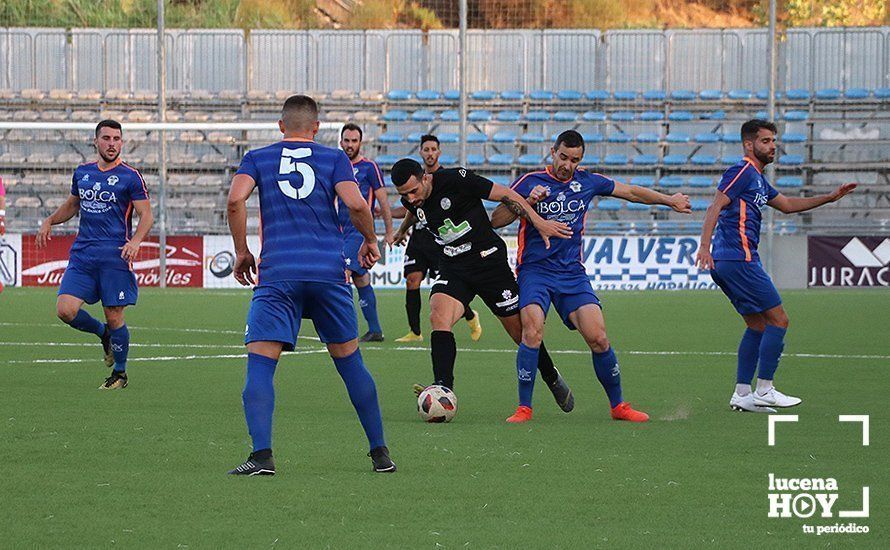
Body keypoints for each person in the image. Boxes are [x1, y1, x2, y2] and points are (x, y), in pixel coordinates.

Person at [226, 95, 395, 476]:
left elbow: (236, 201)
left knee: (260, 365)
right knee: (351, 363)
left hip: (278, 274)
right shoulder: (335, 159)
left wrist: (242, 251)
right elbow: (356, 206)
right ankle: (380, 452)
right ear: (316, 128)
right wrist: (370, 241)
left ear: (280, 126)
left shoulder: (258, 157)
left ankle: (262, 456)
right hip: (327, 273)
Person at [491, 130, 690, 422]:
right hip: (535, 272)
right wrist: (527, 202)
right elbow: (496, 220)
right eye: (563, 157)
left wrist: (669, 200)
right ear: (552, 152)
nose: (567, 165)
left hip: (572, 274)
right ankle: (524, 408)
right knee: (532, 332)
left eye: (574, 160)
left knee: (599, 338)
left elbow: (632, 192)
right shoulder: (530, 182)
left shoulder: (587, 181)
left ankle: (618, 406)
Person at [390, 158, 575, 413]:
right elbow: (415, 211)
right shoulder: (413, 199)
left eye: (413, 191)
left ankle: (550, 375)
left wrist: (538, 221)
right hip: (454, 266)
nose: (410, 198)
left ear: (425, 178)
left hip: (489, 264)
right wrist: (402, 230)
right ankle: (443, 387)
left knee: (520, 334)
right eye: (404, 195)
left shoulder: (455, 180)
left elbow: (507, 194)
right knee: (438, 316)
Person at [696, 119, 856, 412]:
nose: (773, 146)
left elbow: (788, 205)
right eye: (766, 141)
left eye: (773, 141)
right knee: (779, 320)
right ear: (749, 144)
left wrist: (830, 198)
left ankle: (742, 394)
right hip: (738, 257)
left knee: (757, 325)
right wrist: (704, 247)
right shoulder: (742, 171)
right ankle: (765, 389)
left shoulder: (757, 179)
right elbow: (715, 205)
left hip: (730, 260)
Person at [36, 119, 153, 390]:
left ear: (121, 142)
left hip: (115, 257)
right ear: (96, 141)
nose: (112, 144)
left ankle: (120, 375)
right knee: (65, 310)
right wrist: (49, 221)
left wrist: (135, 241)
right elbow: (73, 204)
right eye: (106, 138)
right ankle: (103, 335)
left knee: (115, 316)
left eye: (116, 139)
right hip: (83, 255)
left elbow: (146, 215)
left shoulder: (131, 176)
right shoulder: (83, 172)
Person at [393, 134, 481, 343]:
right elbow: (412, 209)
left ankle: (470, 315)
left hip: (440, 241)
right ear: (421, 153)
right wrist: (402, 229)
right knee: (412, 280)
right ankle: (415, 331)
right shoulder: (412, 183)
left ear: (439, 153)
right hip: (419, 240)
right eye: (426, 149)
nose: (430, 153)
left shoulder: (446, 180)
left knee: (447, 287)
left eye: (434, 149)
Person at [338, 123, 394, 342]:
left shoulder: (370, 167)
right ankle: (375, 329)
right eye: (347, 140)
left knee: (342, 276)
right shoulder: (336, 164)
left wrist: (389, 231)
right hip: (338, 231)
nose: (350, 145)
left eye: (354, 141)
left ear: (360, 143)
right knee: (361, 279)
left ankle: (344, 332)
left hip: (359, 232)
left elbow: (383, 200)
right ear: (341, 141)